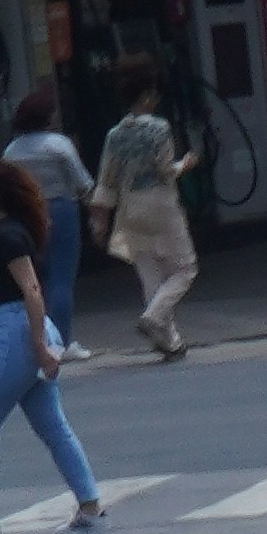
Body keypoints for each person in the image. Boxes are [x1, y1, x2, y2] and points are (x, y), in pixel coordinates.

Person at [0, 156, 104, 534]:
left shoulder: (8, 236)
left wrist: (38, 345)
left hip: (19, 332)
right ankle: (90, 507)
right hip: (14, 331)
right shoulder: (4, 233)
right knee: (52, 425)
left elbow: (31, 291)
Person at [88, 69, 201, 357]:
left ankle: (169, 341)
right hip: (161, 203)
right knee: (184, 268)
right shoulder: (159, 128)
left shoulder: (114, 135)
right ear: (147, 96)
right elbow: (165, 170)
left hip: (129, 207)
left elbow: (106, 179)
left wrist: (100, 217)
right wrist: (184, 165)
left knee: (150, 271)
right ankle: (154, 317)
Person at [0, 74, 90, 356]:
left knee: (36, 279)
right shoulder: (59, 145)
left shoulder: (12, 151)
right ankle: (61, 341)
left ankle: (39, 338)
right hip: (62, 209)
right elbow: (83, 182)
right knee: (62, 278)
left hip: (26, 213)